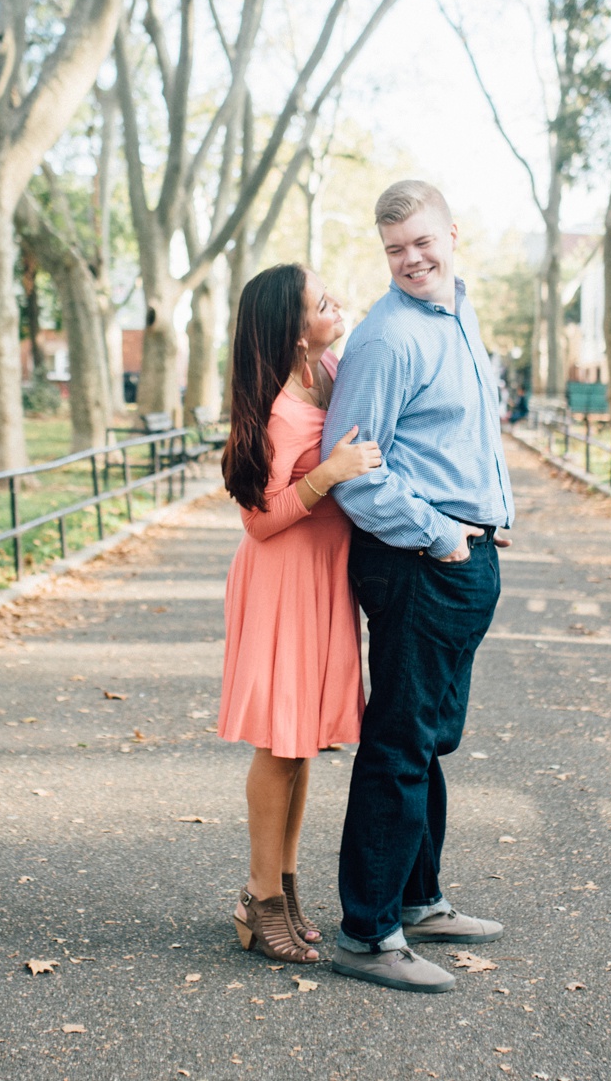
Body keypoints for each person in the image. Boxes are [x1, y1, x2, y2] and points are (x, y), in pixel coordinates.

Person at [322, 179, 514, 994]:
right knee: (400, 741)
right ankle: (369, 931)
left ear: (451, 233)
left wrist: (489, 516)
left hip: (463, 554)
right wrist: (442, 535)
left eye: (422, 242)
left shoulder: (457, 312)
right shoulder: (387, 337)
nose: (411, 260)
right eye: (396, 248)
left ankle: (419, 896)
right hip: (417, 562)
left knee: (429, 738)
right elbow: (355, 472)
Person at [217, 264, 381, 964]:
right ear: (292, 330)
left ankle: (284, 884)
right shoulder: (279, 412)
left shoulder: (330, 370)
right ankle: (259, 898)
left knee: (304, 740)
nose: (335, 302)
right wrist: (329, 474)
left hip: (321, 578)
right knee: (279, 743)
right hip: (283, 580)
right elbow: (260, 521)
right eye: (321, 301)